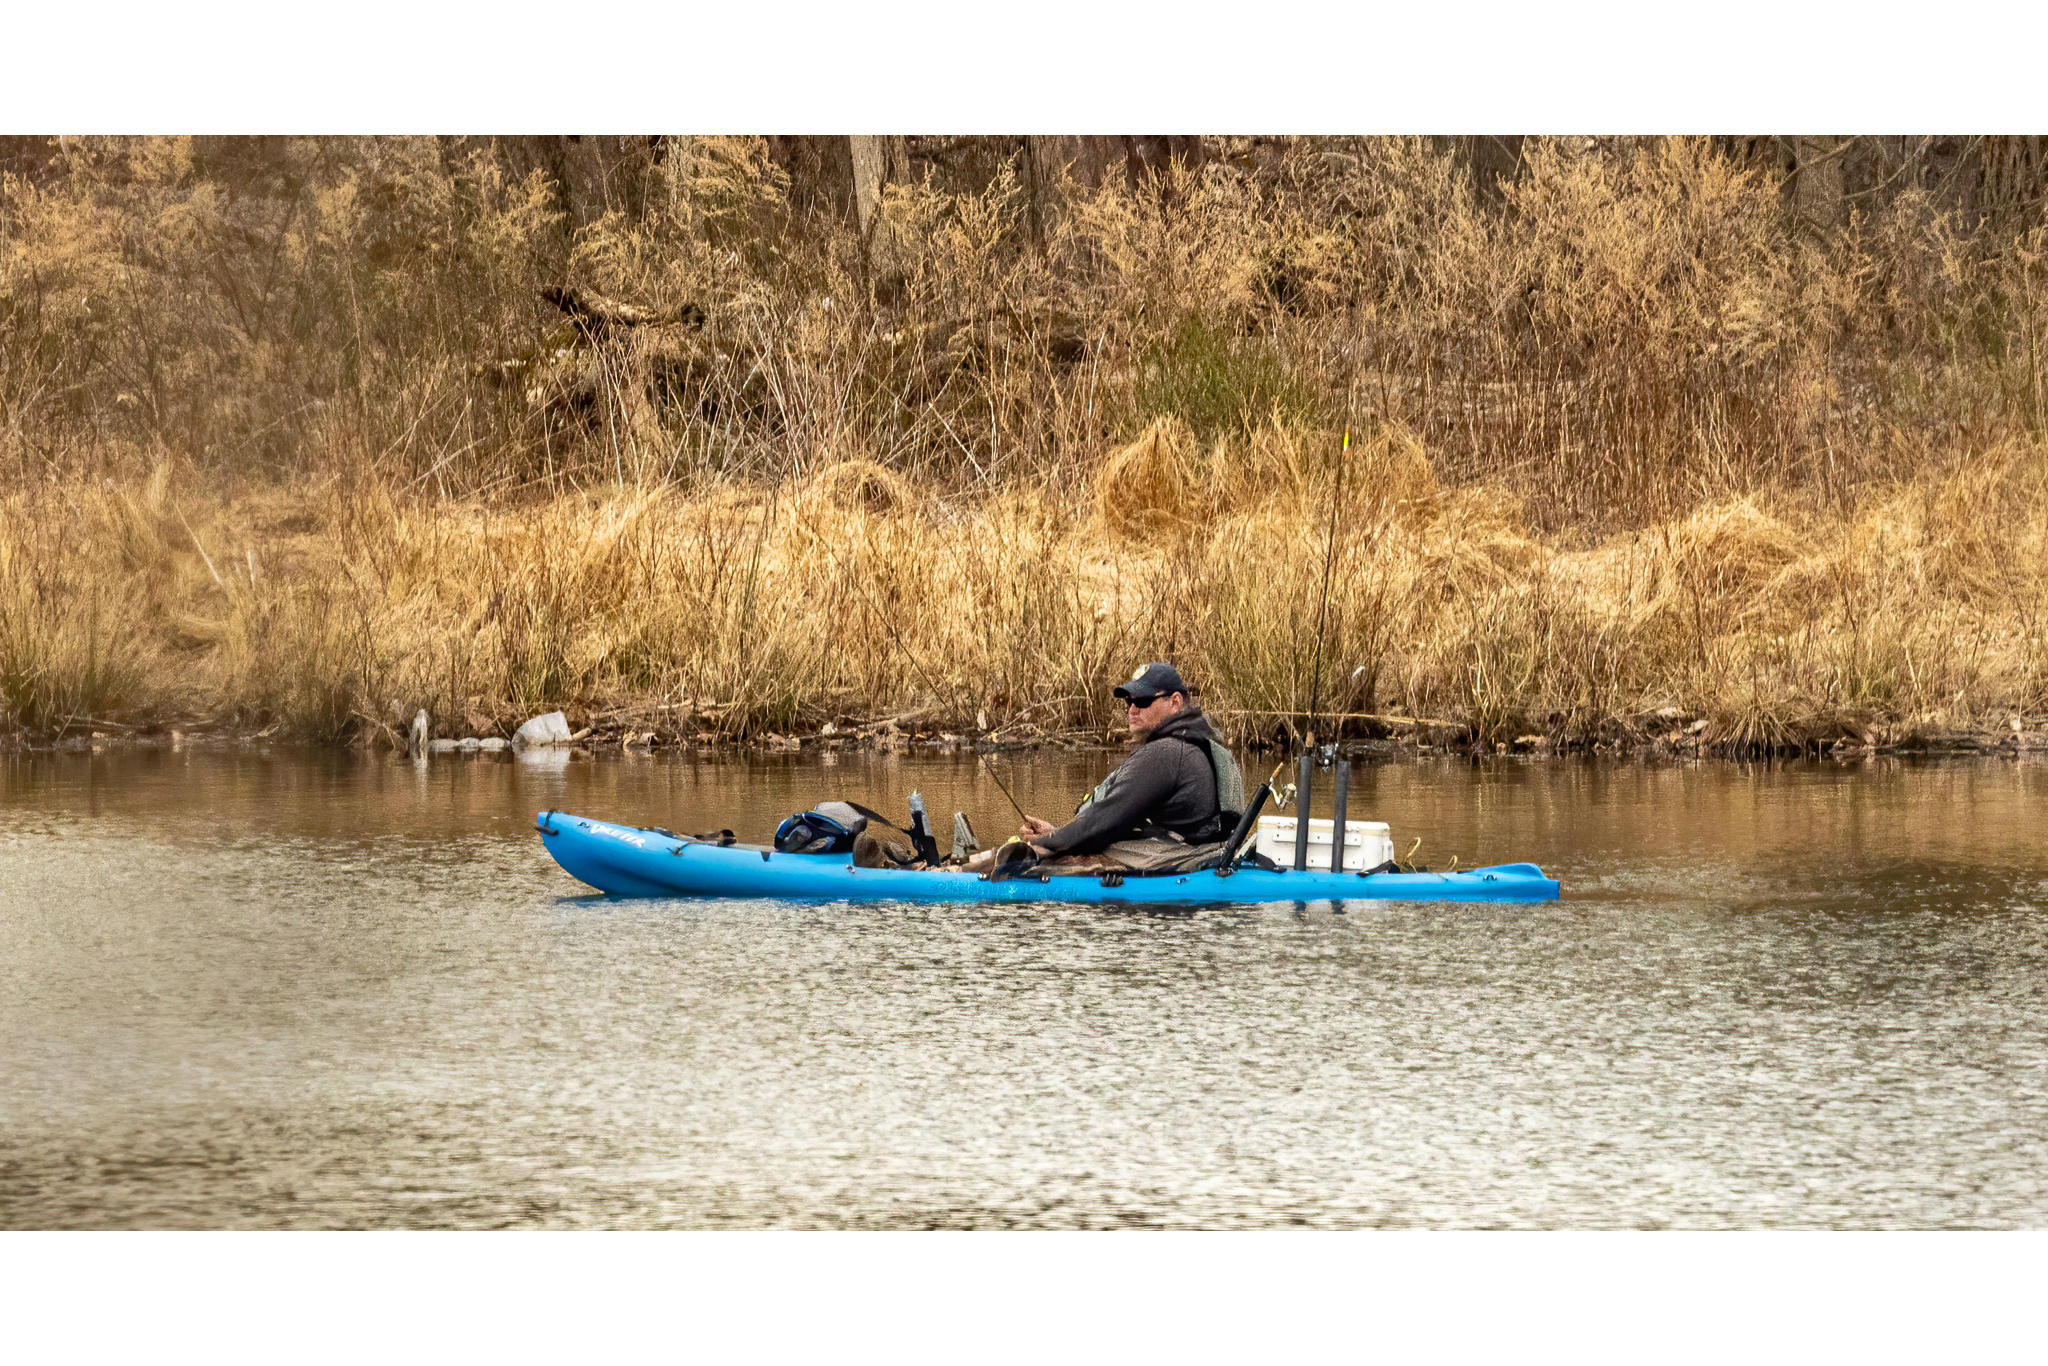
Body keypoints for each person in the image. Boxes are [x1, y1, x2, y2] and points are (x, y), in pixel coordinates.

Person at [973, 662, 1246, 876]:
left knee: (1010, 865)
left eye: (1142, 701)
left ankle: (954, 873)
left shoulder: (1168, 753)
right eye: (1128, 702)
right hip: (1189, 856)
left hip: (1169, 863)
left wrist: (1042, 847)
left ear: (1174, 702)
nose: (1131, 710)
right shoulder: (1193, 745)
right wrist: (1056, 832)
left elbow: (1103, 821)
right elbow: (1119, 823)